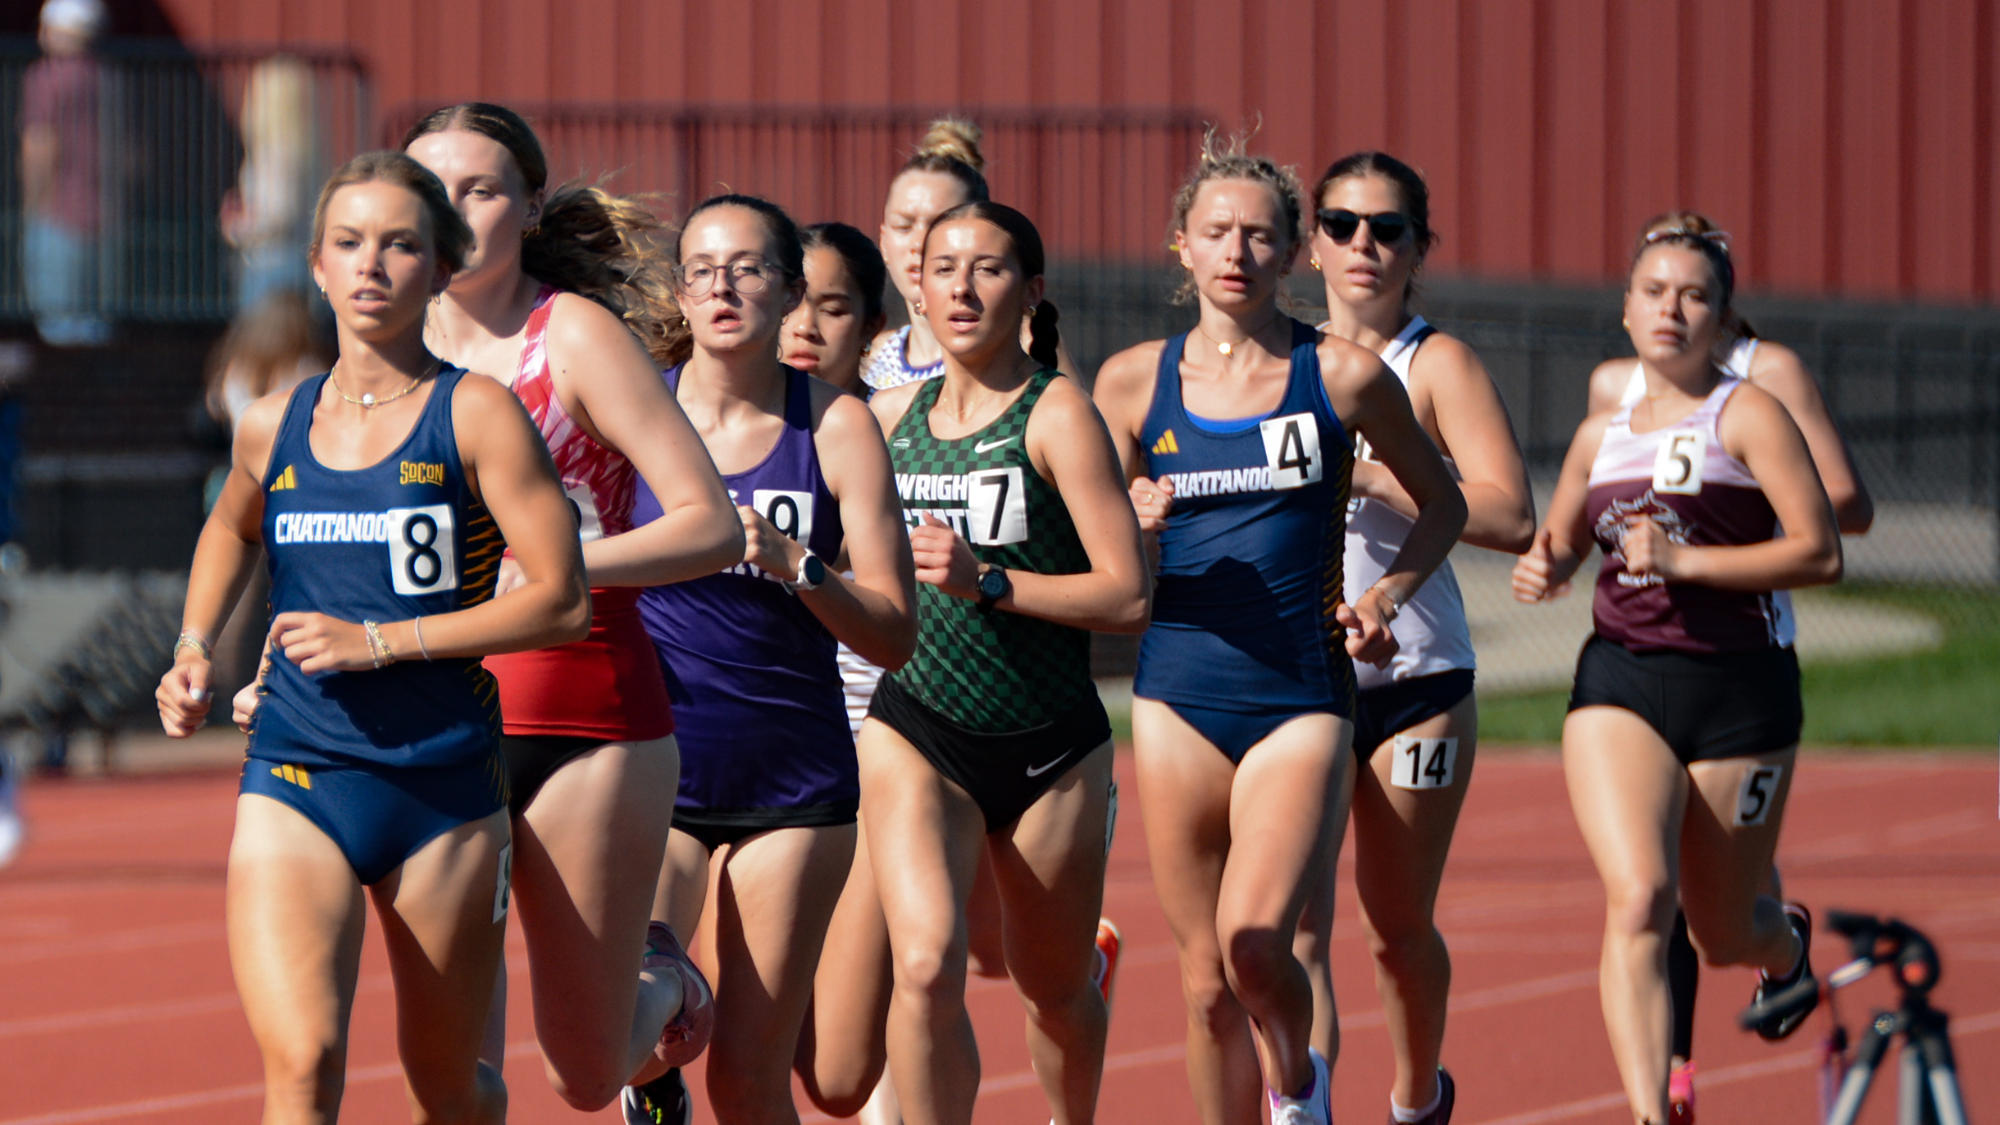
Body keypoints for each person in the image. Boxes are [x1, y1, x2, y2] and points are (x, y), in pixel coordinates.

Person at [156, 150, 590, 1124]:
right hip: (297, 775)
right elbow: (230, 524)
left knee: (446, 1086)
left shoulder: (476, 415)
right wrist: (192, 647)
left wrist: (381, 643)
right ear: (315, 264)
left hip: (440, 790)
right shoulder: (274, 423)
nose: (372, 265)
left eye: (400, 245)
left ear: (440, 268)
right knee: (303, 1064)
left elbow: (561, 600)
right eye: (349, 243)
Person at [1092, 135, 1466, 1125]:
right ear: (1179, 246)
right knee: (1205, 983)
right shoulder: (1131, 383)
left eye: (1260, 235)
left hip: (1300, 695)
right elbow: (1076, 541)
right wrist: (1122, 516)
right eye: (1214, 231)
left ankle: (1295, 1082)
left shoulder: (1338, 375)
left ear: (1292, 254)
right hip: (1175, 694)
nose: (1235, 250)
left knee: (1258, 943)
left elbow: (1443, 503)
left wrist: (1384, 593)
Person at [404, 102, 744, 1112]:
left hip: (584, 717)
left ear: (530, 205)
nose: (455, 212)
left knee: (585, 1073)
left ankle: (667, 983)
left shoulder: (575, 337)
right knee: (447, 1049)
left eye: (481, 189)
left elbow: (710, 526)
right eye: (434, 189)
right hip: (433, 715)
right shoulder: (381, 343)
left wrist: (571, 567)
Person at [1511, 221, 1840, 1125]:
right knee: (1641, 894)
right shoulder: (1598, 433)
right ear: (1625, 310)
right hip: (1621, 680)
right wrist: (1546, 567)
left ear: (1722, 315)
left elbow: (1820, 553)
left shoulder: (1748, 414)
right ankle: (1654, 1111)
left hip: (1741, 690)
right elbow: (1565, 545)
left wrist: (1688, 562)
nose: (1671, 309)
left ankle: (1785, 943)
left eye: (1693, 295)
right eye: (1654, 291)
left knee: (1723, 928)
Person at [621, 195, 918, 1125]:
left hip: (790, 782)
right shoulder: (632, 411)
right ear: (681, 287)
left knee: (753, 1083)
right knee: (619, 1041)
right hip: (656, 769)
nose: (723, 286)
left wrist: (799, 566)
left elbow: (893, 631)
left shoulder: (835, 427)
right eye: (704, 268)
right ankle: (656, 1076)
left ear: (790, 290)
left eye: (748, 268)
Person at [863, 199, 1147, 1125]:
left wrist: (991, 584)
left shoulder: (1057, 413)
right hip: (919, 729)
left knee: (1055, 993)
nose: (961, 286)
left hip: (1048, 744)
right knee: (923, 964)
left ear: (1029, 291)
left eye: (987, 268)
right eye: (943, 267)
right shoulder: (886, 417)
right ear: (919, 284)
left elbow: (1126, 594)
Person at [1292, 150, 1536, 1125]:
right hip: (1300, 681)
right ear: (1311, 242)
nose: (1363, 244)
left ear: (1417, 250)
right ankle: (1300, 1109)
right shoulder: (1278, 356)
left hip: (1414, 685)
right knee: (1295, 932)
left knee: (1394, 928)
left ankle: (1413, 1097)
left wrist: (1381, 477)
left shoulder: (1434, 364)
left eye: (1385, 229)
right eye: (1342, 223)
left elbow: (1510, 515)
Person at [18, 0, 111, 347]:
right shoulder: (109, 74)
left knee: (57, 328)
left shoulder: (47, 76)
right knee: (96, 327)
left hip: (57, 215)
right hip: (107, 221)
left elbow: (39, 145)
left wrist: (33, 205)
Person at [222, 55, 322, 312]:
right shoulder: (306, 152)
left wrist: (238, 226)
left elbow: (279, 215)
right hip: (296, 264)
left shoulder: (275, 155)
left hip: (270, 266)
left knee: (266, 348)